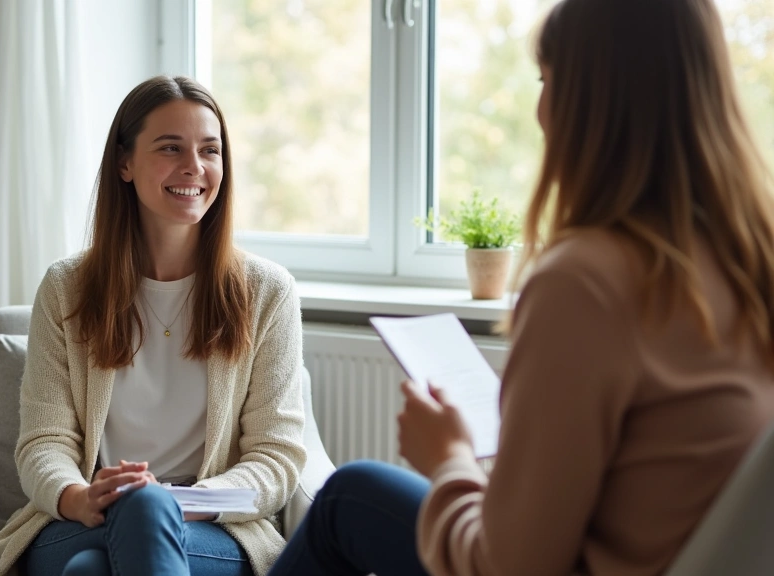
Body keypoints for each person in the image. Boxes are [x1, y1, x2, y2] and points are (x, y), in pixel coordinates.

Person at [269, 0, 774, 574]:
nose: (539, 109)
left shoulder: (586, 282)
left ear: (588, 100)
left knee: (348, 496)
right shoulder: (748, 262)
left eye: (545, 80)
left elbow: (508, 566)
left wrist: (450, 458)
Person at [0, 76, 308, 576]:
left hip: (206, 524)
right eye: (170, 148)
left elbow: (276, 457)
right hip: (84, 517)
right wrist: (78, 496)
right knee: (130, 519)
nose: (194, 166)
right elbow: (44, 441)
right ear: (124, 163)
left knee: (92, 570)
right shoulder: (66, 287)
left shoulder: (267, 292)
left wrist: (177, 501)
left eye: (210, 150)